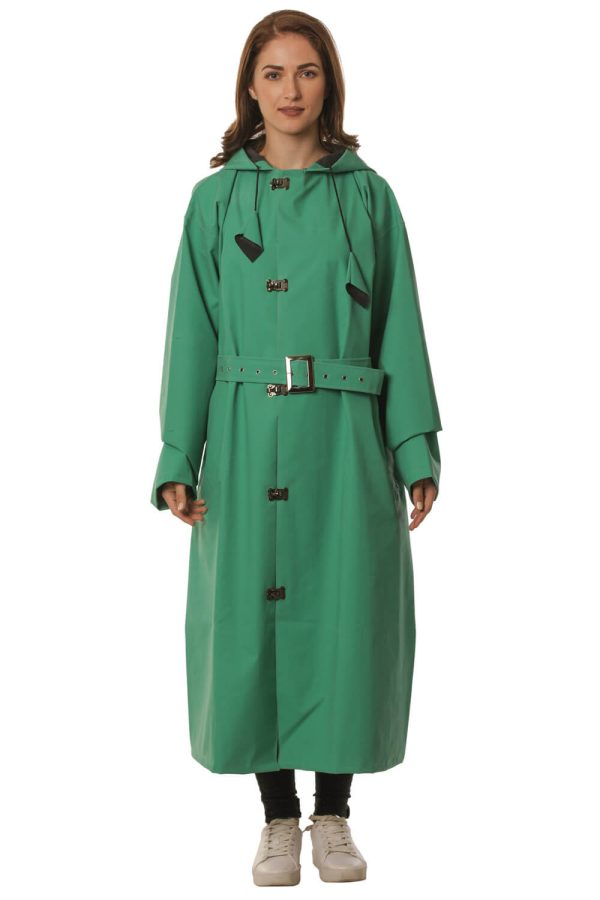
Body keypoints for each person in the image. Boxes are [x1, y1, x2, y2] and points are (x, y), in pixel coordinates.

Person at [150, 9, 442, 887]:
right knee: (255, 619)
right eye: (273, 73)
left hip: (346, 439)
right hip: (246, 436)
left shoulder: (369, 197)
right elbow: (191, 334)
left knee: (345, 618)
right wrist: (178, 453)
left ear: (329, 85)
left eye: (307, 72)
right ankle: (278, 818)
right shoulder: (213, 201)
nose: (290, 90)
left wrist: (415, 446)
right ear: (250, 85)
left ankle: (334, 817)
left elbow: (400, 325)